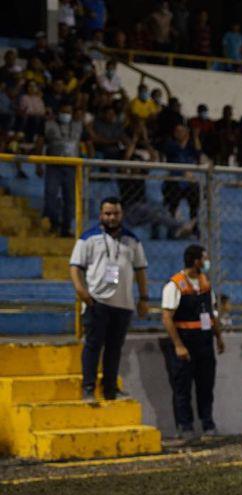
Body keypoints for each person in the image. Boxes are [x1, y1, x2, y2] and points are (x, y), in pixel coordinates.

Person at [69, 197, 148, 402]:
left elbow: (140, 270)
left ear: (122, 215)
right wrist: (80, 290)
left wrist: (144, 298)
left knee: (114, 348)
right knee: (93, 346)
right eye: (108, 213)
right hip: (97, 302)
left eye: (116, 213)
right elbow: (75, 266)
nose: (112, 217)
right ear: (100, 215)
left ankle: (110, 389)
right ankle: (88, 388)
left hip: (124, 304)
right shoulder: (88, 238)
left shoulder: (132, 240)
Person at [160, 244, 224, 441]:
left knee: (206, 385)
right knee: (183, 387)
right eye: (204, 258)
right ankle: (185, 426)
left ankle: (208, 424)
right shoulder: (175, 285)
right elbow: (167, 317)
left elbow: (212, 314)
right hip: (185, 341)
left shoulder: (205, 283)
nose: (206, 262)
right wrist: (178, 345)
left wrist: (218, 337)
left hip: (204, 342)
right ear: (196, 261)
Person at [42, 102, 83, 237]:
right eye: (63, 112)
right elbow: (40, 141)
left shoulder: (78, 126)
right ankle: (54, 223)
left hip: (71, 166)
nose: (66, 115)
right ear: (58, 112)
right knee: (51, 195)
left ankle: (66, 228)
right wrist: (38, 164)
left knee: (70, 199)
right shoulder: (49, 124)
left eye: (68, 112)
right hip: (53, 165)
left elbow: (87, 143)